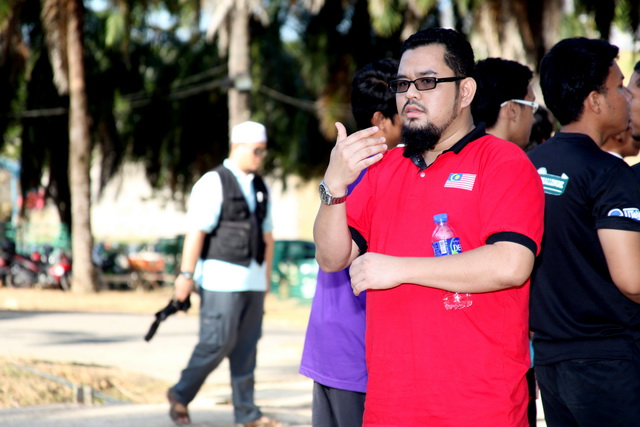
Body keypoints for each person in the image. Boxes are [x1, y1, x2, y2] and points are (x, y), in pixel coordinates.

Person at [313, 27, 544, 425]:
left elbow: (511, 264)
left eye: (427, 81)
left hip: (481, 407)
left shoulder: (504, 162)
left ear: (465, 91)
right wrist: (333, 186)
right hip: (390, 407)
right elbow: (332, 257)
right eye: (402, 84)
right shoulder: (384, 168)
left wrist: (399, 268)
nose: (410, 95)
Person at [528, 37, 640, 426]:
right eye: (620, 86)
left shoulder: (527, 165)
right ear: (595, 100)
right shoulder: (609, 173)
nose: (628, 96)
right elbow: (632, 280)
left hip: (550, 360)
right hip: (608, 362)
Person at [299, 58, 402, 427]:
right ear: (380, 120)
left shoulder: (343, 173)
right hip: (357, 351)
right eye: (405, 110)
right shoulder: (379, 176)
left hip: (329, 346)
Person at [167, 121, 280, 427]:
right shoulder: (212, 182)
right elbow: (197, 232)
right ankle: (180, 394)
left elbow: (268, 236)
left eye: (263, 151)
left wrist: (266, 279)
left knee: (246, 349)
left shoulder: (261, 186)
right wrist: (186, 275)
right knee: (217, 343)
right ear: (237, 147)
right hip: (220, 281)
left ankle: (247, 413)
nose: (260, 157)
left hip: (253, 282)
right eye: (256, 151)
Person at [471, 57, 537, 149]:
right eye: (532, 106)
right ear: (512, 110)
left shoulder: (459, 153)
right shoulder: (514, 157)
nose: (533, 120)